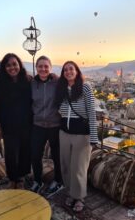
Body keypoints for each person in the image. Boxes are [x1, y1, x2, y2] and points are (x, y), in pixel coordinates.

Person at [55, 61, 98, 212]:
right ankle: (71, 193)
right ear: (63, 73)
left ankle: (79, 197)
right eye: (65, 70)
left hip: (81, 134)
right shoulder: (61, 88)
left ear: (77, 71)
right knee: (65, 165)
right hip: (64, 132)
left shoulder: (85, 87)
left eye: (71, 69)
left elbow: (92, 113)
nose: (68, 72)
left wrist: (94, 137)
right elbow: (60, 108)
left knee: (78, 167)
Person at [0, 53, 32, 189]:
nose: (12, 67)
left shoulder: (28, 80)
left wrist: (53, 76)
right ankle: (12, 177)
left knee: (25, 150)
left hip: (26, 123)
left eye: (14, 64)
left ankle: (21, 177)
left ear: (19, 65)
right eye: (8, 65)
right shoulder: (0, 83)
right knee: (10, 152)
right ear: (4, 67)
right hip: (8, 124)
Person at [30, 55, 63, 196]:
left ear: (50, 68)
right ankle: (38, 181)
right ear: (36, 68)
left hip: (55, 125)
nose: (43, 69)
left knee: (57, 155)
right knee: (35, 155)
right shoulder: (31, 84)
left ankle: (58, 181)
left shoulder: (57, 82)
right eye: (40, 66)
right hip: (38, 125)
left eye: (46, 66)